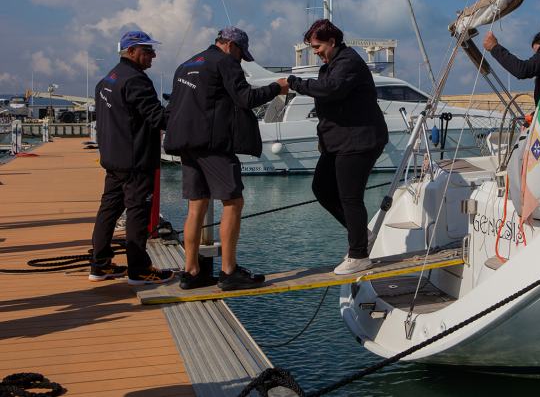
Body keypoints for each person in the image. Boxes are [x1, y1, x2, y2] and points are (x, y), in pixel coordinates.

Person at [163, 26, 288, 291]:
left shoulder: (186, 65)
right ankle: (229, 272)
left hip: (185, 143)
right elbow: (245, 98)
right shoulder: (225, 62)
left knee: (196, 206)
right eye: (241, 54)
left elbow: (172, 107)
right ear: (232, 46)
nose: (241, 60)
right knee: (233, 201)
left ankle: (191, 271)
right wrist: (276, 87)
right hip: (212, 144)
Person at [287, 19, 388, 275]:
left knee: (350, 197)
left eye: (317, 46)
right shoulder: (332, 64)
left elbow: (331, 90)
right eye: (312, 47)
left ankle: (359, 255)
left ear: (332, 41)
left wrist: (295, 83)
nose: (315, 51)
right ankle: (361, 235)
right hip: (338, 141)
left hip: (360, 139)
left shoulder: (349, 62)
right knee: (321, 188)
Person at [90, 30, 174, 285]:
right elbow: (158, 118)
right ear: (131, 51)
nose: (153, 55)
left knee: (109, 211)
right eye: (147, 51)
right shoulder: (136, 81)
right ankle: (139, 270)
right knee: (138, 213)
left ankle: (99, 265)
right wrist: (181, 106)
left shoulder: (107, 80)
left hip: (113, 159)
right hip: (135, 161)